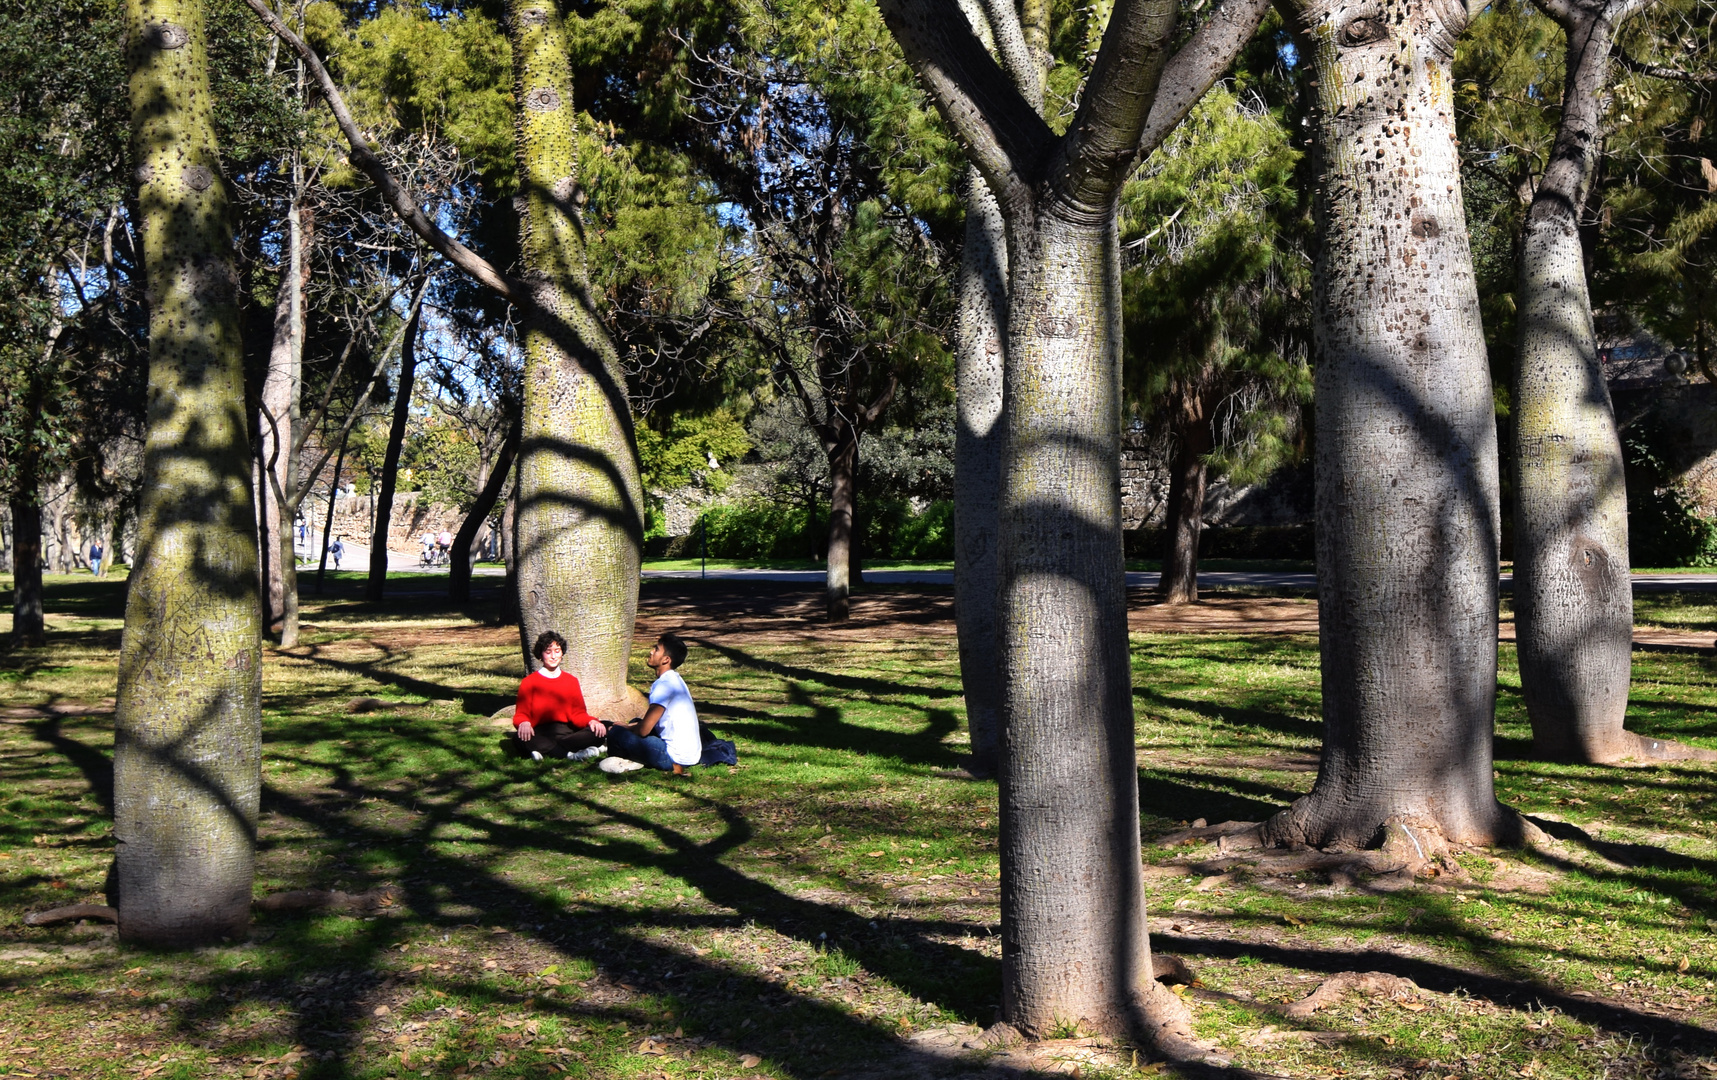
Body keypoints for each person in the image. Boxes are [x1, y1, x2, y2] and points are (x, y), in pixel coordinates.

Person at [601, 633, 701, 776]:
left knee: (616, 733)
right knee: (635, 722)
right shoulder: (675, 680)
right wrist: (629, 726)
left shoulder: (664, 686)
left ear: (666, 659)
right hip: (691, 755)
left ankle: (626, 760)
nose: (651, 652)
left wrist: (624, 729)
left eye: (656, 649)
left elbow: (644, 731)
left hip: (674, 757)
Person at [512, 631, 607, 761]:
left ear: (562, 653)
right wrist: (523, 723)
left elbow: (578, 714)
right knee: (519, 738)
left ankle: (547, 751)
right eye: (548, 651)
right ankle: (571, 755)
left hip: (567, 734)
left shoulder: (571, 681)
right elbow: (521, 714)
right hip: (539, 733)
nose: (553, 656)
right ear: (541, 654)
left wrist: (591, 721)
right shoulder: (529, 682)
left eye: (557, 651)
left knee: (598, 732)